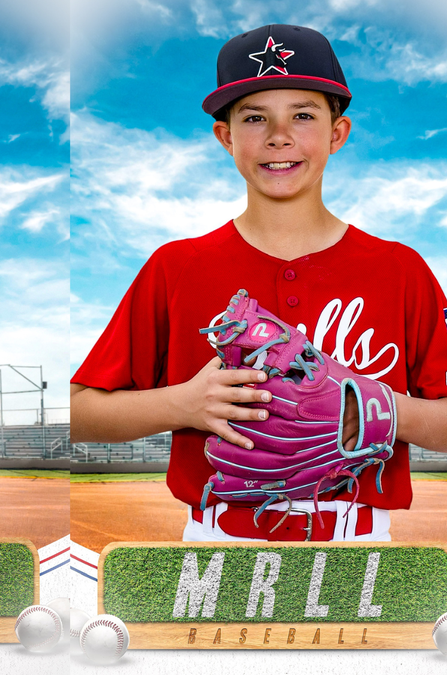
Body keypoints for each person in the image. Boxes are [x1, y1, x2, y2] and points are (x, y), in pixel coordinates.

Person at [71, 24, 447, 542]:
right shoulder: (177, 266)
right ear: (225, 137)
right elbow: (80, 410)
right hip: (216, 536)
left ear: (337, 134)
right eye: (254, 117)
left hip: (356, 540)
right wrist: (182, 403)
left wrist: (372, 408)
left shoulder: (399, 269)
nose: (279, 136)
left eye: (303, 115)